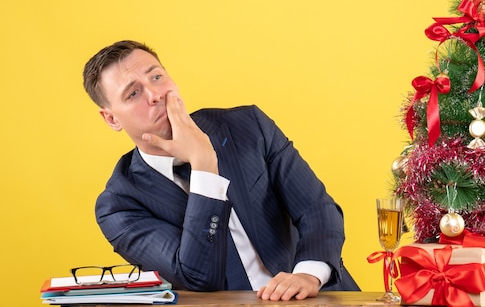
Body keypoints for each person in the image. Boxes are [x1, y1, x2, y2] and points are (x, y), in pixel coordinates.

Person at [82, 40, 359, 300]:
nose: (155, 95)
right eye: (133, 93)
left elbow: (317, 208)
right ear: (111, 118)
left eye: (156, 77)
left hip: (316, 296)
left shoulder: (249, 126)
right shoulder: (119, 206)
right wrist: (204, 166)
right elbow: (197, 276)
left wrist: (308, 275)